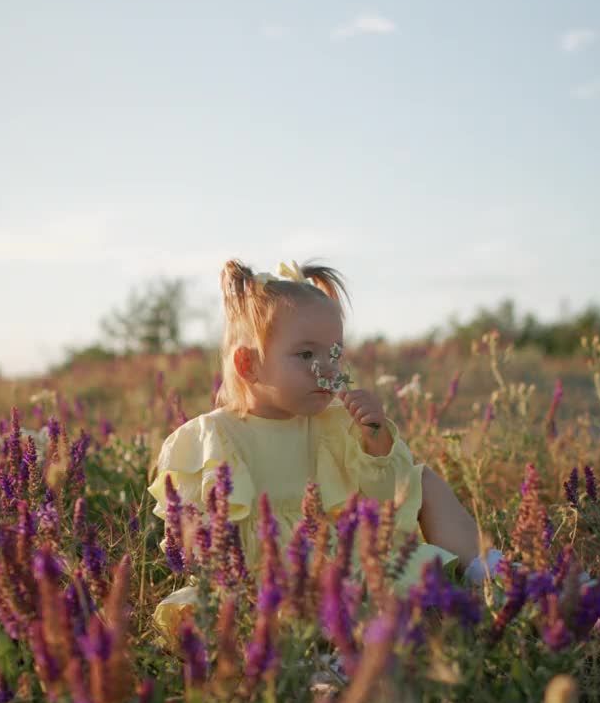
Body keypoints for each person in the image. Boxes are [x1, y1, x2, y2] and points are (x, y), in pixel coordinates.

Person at [148, 258, 491, 637]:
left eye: (334, 354)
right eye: (306, 355)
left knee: (422, 481)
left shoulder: (335, 424)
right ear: (249, 365)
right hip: (267, 580)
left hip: (348, 562)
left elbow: (388, 498)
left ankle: (492, 574)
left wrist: (376, 440)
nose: (328, 370)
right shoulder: (215, 436)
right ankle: (331, 655)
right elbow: (194, 531)